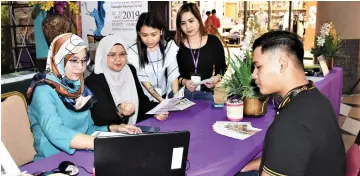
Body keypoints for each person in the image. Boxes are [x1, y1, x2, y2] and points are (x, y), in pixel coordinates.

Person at [239, 31, 345, 175]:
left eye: (258, 67)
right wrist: (246, 166)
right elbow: (288, 156)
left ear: (282, 65)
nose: (253, 75)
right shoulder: (315, 97)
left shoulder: (291, 124)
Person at [26, 33, 141, 160]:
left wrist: (114, 129)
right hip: (53, 161)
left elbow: (88, 129)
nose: (80, 67)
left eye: (83, 60)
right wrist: (102, 143)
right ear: (58, 59)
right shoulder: (43, 90)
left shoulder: (79, 87)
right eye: (74, 60)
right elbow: (55, 132)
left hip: (82, 155)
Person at [86, 35, 169, 126]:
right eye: (112, 55)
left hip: (135, 129)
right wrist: (119, 111)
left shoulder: (130, 70)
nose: (118, 59)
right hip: (110, 134)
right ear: (103, 56)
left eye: (122, 54)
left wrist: (156, 111)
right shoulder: (93, 81)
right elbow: (101, 118)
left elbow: (142, 101)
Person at [175, 3, 226, 100]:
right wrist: (184, 81)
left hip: (207, 94)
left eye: (191, 21)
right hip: (183, 95)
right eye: (183, 23)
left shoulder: (213, 42)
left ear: (198, 19)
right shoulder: (177, 45)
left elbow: (221, 68)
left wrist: (216, 78)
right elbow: (172, 74)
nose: (188, 26)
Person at [128, 12, 179, 105]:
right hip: (144, 99)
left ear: (161, 32)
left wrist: (176, 97)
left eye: (153, 34)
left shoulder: (169, 47)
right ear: (139, 33)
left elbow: (173, 74)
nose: (149, 39)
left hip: (164, 95)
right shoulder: (134, 52)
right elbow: (144, 80)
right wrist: (161, 101)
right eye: (144, 35)